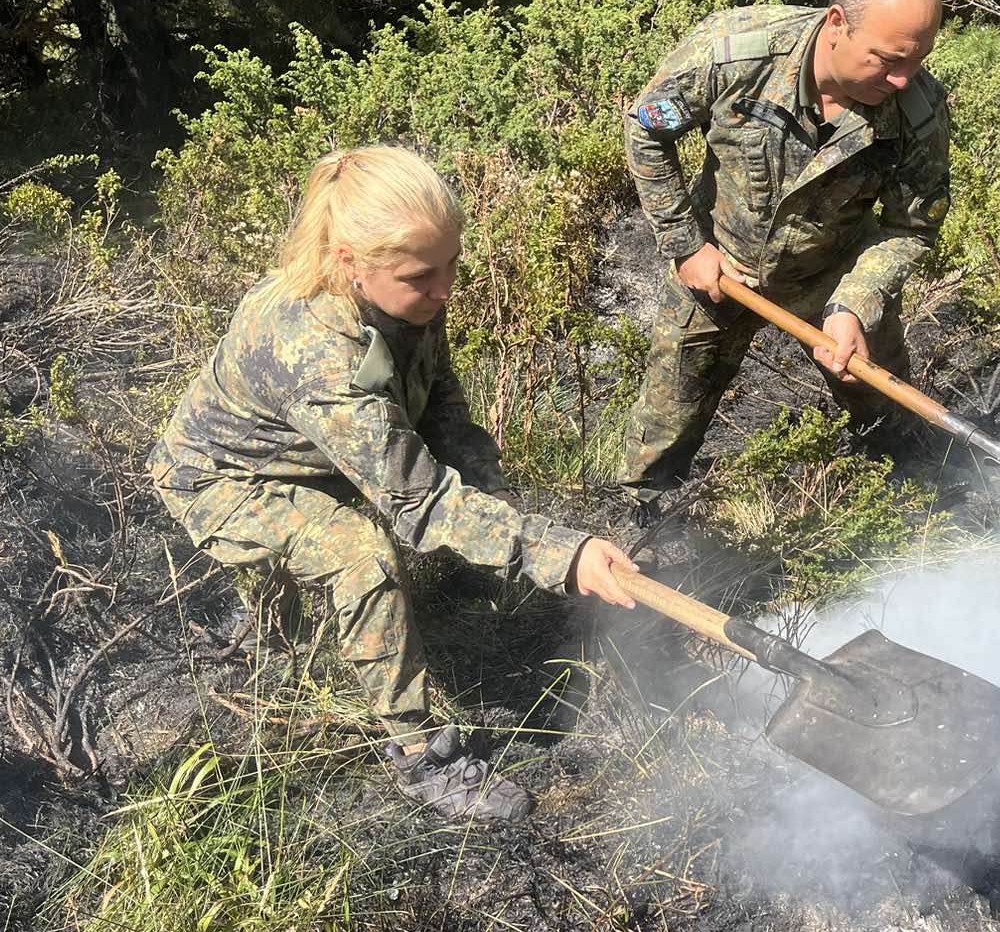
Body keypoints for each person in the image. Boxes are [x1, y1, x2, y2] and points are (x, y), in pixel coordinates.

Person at [149, 145, 639, 822]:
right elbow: (414, 497)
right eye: (422, 277)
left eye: (452, 266)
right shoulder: (314, 349)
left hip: (321, 456)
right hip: (223, 481)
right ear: (352, 262)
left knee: (461, 474)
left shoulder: (401, 294)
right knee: (361, 556)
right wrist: (559, 552)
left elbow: (441, 413)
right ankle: (420, 759)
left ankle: (468, 571)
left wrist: (497, 518)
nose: (445, 292)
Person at [619, 0, 951, 503]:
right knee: (665, 424)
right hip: (717, 266)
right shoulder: (734, 56)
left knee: (890, 418)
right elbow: (644, 129)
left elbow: (911, 227)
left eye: (916, 61)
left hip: (832, 277)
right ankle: (638, 526)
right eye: (888, 60)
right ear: (838, 23)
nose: (902, 80)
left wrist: (855, 306)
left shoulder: (918, 111)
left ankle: (913, 515)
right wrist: (685, 244)